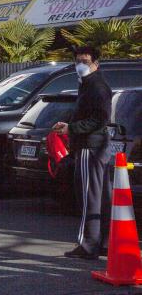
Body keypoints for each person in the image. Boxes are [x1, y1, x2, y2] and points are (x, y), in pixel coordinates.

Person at [53, 46, 113, 260]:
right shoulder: (87, 85)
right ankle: (104, 243)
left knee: (89, 197)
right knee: (101, 197)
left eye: (85, 61)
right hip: (95, 146)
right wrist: (69, 124)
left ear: (96, 63)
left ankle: (88, 244)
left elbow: (100, 119)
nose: (80, 65)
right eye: (78, 61)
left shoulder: (96, 87)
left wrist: (72, 128)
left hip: (91, 146)